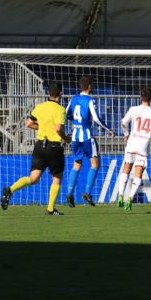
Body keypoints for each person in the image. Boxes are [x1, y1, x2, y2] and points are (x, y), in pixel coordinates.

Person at [0, 82, 71, 215]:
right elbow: (58, 128)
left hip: (39, 146)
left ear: (48, 94)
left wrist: (43, 127)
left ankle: (10, 189)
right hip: (53, 147)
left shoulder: (40, 107)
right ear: (60, 93)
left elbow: (29, 123)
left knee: (33, 178)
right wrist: (66, 138)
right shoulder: (60, 109)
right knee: (57, 177)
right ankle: (50, 208)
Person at [65, 75, 115, 207]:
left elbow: (67, 114)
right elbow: (97, 118)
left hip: (75, 136)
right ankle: (87, 191)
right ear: (89, 87)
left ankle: (69, 193)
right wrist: (108, 129)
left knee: (76, 164)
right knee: (95, 163)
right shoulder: (89, 100)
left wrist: (75, 121)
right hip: (87, 136)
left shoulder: (73, 99)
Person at [115, 87, 151, 211]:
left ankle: (120, 195)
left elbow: (123, 122)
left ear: (141, 97)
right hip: (143, 146)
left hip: (131, 143)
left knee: (126, 169)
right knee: (138, 173)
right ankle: (129, 198)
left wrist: (126, 134)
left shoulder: (133, 109)